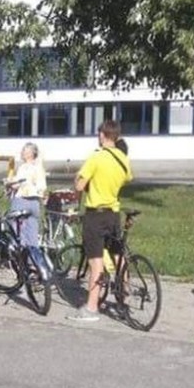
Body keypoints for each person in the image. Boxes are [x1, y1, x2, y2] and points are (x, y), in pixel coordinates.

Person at [68, 120, 133, 322]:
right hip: (113, 213)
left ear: (103, 135)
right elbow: (126, 179)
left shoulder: (96, 157)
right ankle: (124, 295)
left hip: (95, 214)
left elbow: (80, 186)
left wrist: (78, 180)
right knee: (117, 255)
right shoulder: (123, 159)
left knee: (95, 261)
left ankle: (91, 308)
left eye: (99, 134)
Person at [7, 142, 49, 279]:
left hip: (22, 201)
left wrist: (11, 184)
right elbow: (42, 187)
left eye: (24, 151)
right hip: (35, 203)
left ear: (30, 154)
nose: (22, 153)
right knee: (32, 234)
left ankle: (20, 262)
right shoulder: (39, 167)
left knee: (17, 231)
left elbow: (19, 184)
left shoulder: (24, 167)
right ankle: (35, 265)